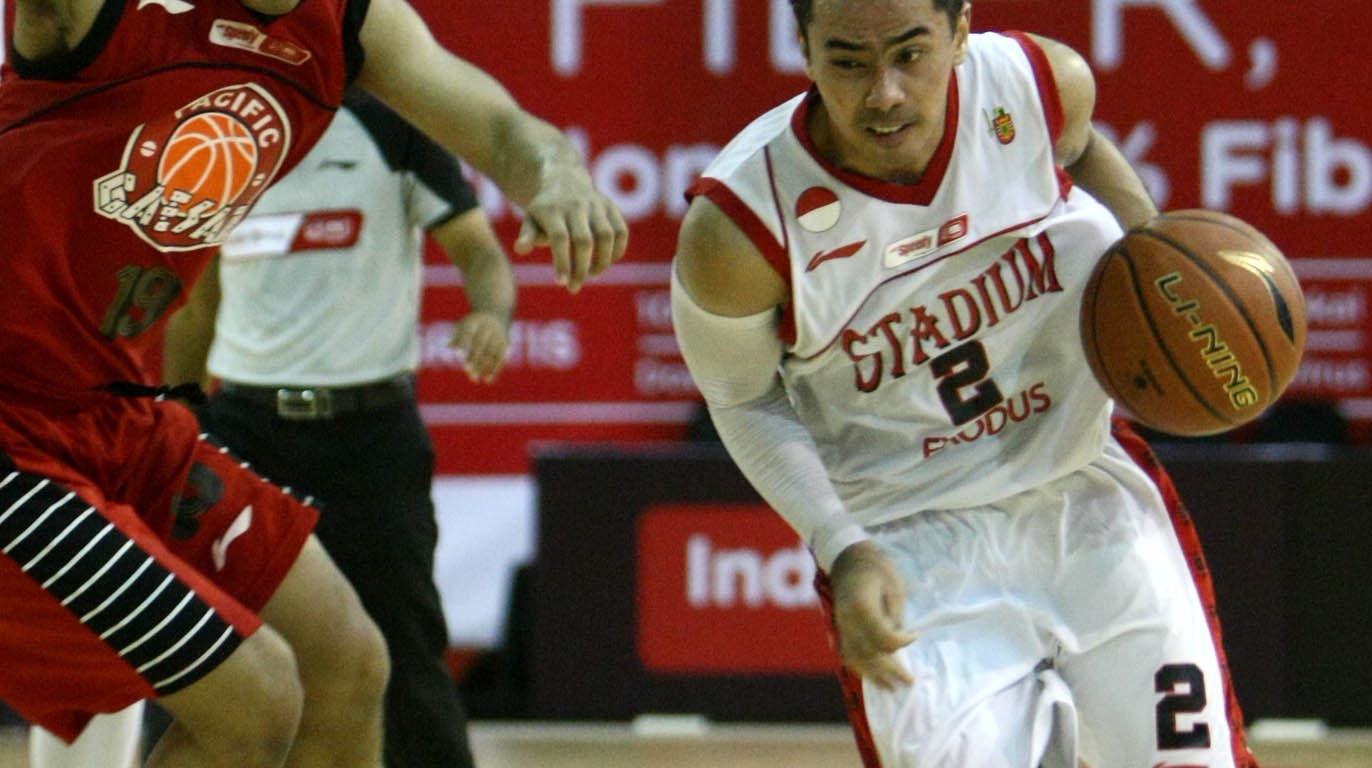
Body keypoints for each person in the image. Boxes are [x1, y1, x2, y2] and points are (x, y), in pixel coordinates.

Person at [0, 0, 627, 765]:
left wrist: (558, 177)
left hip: (115, 410)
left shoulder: (351, 22)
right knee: (255, 699)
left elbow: (500, 128)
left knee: (349, 667)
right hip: (13, 420)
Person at [670, 0, 1257, 766]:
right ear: (804, 51)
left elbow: (1079, 147)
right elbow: (742, 397)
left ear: (959, 32)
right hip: (910, 540)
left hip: (1084, 491)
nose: (883, 93)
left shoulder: (1036, 86)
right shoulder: (741, 227)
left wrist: (1156, 262)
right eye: (847, 62)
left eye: (909, 54)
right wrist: (841, 547)